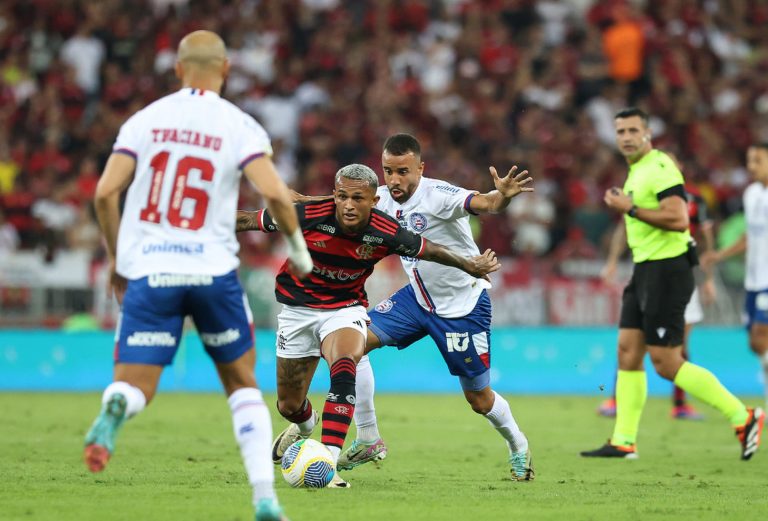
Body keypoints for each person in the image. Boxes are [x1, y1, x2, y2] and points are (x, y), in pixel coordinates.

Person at [83, 30, 312, 521]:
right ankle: (264, 498)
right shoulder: (239, 125)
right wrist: (297, 247)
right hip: (213, 272)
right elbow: (273, 192)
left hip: (152, 270)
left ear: (178, 69)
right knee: (242, 384)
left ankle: (117, 404)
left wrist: (120, 261)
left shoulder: (144, 121)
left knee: (135, 384)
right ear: (226, 69)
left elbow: (105, 194)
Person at [235, 163, 501, 488]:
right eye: (342, 196)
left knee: (347, 363)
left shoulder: (385, 230)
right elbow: (249, 219)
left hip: (345, 309)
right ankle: (306, 427)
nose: (348, 205)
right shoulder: (307, 214)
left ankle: (327, 464)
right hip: (298, 311)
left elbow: (429, 249)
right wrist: (195, 229)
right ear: (334, 196)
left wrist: (469, 264)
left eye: (357, 198)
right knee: (289, 406)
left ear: (374, 201)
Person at [293, 133, 536, 481]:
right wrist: (303, 200)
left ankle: (519, 445)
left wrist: (503, 198)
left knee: (479, 400)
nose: (394, 180)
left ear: (420, 168)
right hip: (416, 301)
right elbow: (351, 200)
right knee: (351, 345)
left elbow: (485, 203)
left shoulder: (438, 195)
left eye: (403, 171)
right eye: (388, 171)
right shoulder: (383, 200)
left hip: (461, 309)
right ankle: (368, 437)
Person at [580, 107, 764, 460]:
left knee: (666, 362)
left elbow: (679, 219)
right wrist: (628, 208)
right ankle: (624, 440)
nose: (627, 137)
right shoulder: (636, 172)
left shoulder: (660, 166)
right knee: (628, 352)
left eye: (634, 130)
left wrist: (630, 208)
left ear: (648, 133)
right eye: (621, 131)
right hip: (645, 269)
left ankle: (743, 416)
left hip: (668, 270)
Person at [597, 153, 717, 420]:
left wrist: (708, 279)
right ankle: (617, 401)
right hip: (648, 272)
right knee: (630, 343)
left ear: (680, 167)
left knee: (679, 345)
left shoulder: (695, 199)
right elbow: (624, 229)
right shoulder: (642, 195)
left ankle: (680, 404)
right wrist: (613, 261)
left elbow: (706, 241)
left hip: (680, 273)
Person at [702, 143, 768, 410]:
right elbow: (749, 236)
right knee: (755, 342)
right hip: (753, 280)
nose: (751, 166)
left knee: (761, 334)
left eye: (758, 160)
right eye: (749, 160)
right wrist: (720, 255)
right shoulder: (752, 194)